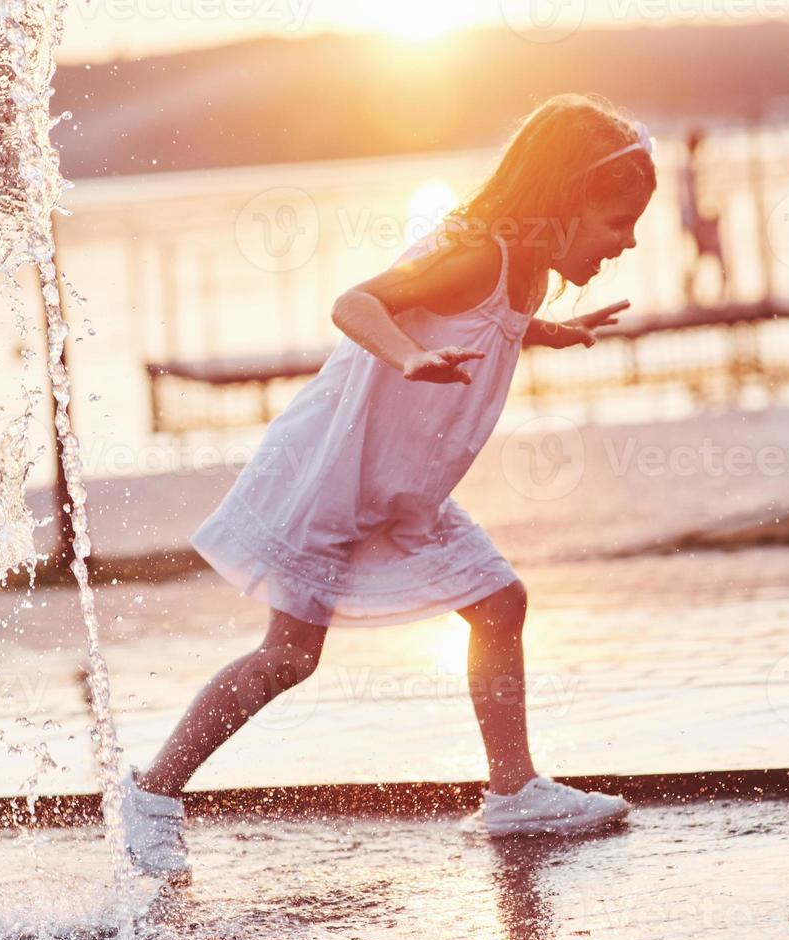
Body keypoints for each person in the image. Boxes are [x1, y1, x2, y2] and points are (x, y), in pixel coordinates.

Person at [117, 94, 657, 880]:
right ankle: (153, 793)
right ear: (567, 201)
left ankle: (513, 791)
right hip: (336, 479)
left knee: (500, 603)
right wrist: (405, 357)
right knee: (287, 658)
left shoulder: (523, 273)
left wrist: (544, 329)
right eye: (618, 221)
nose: (628, 241)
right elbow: (356, 303)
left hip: (405, 491)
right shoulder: (481, 254)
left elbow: (479, 319)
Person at [680, 127, 728, 306]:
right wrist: (697, 220)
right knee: (709, 253)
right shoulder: (688, 168)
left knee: (700, 255)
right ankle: (717, 288)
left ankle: (692, 290)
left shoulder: (691, 166)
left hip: (695, 219)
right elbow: (691, 198)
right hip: (696, 220)